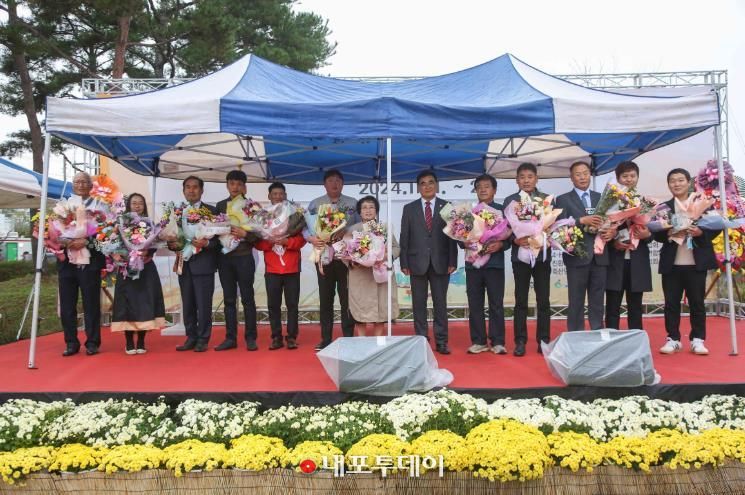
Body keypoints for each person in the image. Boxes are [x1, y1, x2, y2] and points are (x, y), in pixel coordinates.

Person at [655, 168, 719, 355]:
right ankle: (673, 339)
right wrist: (668, 232)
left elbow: (716, 227)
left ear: (688, 182)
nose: (676, 184)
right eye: (672, 181)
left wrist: (700, 233)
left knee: (697, 303)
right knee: (671, 303)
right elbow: (656, 234)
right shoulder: (664, 207)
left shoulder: (702, 202)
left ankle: (697, 340)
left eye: (680, 180)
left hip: (695, 263)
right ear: (668, 185)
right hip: (672, 264)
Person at [400, 170, 457, 354]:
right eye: (423, 183)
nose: (427, 186)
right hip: (416, 262)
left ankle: (441, 341)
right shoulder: (409, 208)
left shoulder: (447, 206)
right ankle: (421, 339)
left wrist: (453, 259)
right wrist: (404, 262)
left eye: (431, 182)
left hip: (441, 262)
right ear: (418, 187)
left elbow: (453, 234)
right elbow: (404, 236)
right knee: (418, 304)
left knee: (440, 304)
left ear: (437, 185)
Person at [555, 161, 615, 331]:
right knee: (576, 300)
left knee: (598, 299)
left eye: (585, 173)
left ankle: (597, 331)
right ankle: (576, 334)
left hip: (600, 256)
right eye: (578, 174)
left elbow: (611, 221)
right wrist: (581, 220)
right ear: (571, 178)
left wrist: (612, 232)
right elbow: (558, 227)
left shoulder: (601, 197)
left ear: (590, 175)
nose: (582, 177)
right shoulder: (563, 199)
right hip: (577, 257)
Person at [305, 169, 359, 351]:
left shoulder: (353, 203)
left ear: (342, 184)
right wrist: (311, 238)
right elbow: (305, 227)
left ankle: (349, 338)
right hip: (324, 257)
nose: (334, 184)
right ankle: (326, 339)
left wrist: (348, 232)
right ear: (324, 184)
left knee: (347, 299)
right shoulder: (315, 204)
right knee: (325, 298)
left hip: (345, 258)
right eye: (330, 180)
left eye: (337, 180)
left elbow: (362, 227)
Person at [503, 163, 551, 354]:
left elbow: (552, 227)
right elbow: (504, 229)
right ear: (517, 180)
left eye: (530, 176)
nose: (526, 180)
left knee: (543, 300)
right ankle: (520, 341)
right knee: (520, 300)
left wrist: (543, 238)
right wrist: (515, 239)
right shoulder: (510, 201)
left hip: (542, 257)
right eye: (522, 177)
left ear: (536, 179)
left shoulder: (546, 200)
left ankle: (543, 340)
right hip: (520, 257)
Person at [56, 172, 106, 356]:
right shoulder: (63, 205)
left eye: (84, 182)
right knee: (68, 305)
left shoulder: (100, 206)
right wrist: (66, 242)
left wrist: (87, 241)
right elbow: (54, 231)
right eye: (77, 182)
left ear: (91, 186)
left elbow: (107, 233)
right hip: (67, 262)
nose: (81, 185)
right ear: (73, 185)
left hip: (90, 261)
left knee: (91, 304)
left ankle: (92, 342)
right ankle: (71, 342)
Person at [167, 176, 219, 352]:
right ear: (183, 191)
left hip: (203, 264)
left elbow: (219, 240)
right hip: (184, 262)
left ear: (202, 190)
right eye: (188, 187)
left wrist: (206, 243)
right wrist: (172, 243)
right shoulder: (177, 211)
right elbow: (171, 236)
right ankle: (191, 337)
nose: (191, 190)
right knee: (188, 303)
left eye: (195, 187)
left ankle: (203, 339)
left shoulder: (211, 211)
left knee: (203, 305)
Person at [460, 175, 511, 355]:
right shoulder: (468, 212)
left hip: (494, 264)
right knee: (475, 303)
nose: (483, 189)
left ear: (494, 190)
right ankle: (478, 341)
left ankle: (498, 341)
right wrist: (464, 241)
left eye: (487, 186)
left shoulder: (502, 211)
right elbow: (459, 237)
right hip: (473, 264)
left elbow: (510, 237)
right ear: (475, 190)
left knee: (496, 303)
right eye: (479, 186)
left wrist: (501, 244)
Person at [111, 193, 166, 354]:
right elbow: (113, 242)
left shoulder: (150, 224)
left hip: (146, 268)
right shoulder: (120, 223)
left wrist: (147, 252)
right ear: (129, 205)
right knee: (126, 303)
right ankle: (129, 342)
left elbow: (155, 244)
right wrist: (118, 254)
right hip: (127, 268)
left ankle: (141, 341)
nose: (137, 206)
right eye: (134, 203)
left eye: (140, 203)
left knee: (144, 302)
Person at [255, 182, 306, 350]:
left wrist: (286, 241)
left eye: (280, 194)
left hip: (292, 268)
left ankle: (292, 337)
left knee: (292, 305)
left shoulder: (294, 214)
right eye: (274, 194)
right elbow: (257, 243)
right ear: (269, 196)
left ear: (285, 195)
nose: (278, 196)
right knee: (273, 305)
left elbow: (302, 239)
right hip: (272, 269)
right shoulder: (262, 216)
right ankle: (276, 337)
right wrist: (270, 241)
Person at [214, 170, 258, 351]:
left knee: (248, 298)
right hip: (225, 259)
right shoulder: (220, 205)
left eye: (239, 184)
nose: (235, 187)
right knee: (229, 299)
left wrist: (245, 234)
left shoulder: (251, 206)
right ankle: (230, 338)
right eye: (232, 183)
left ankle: (251, 338)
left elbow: (260, 236)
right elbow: (213, 231)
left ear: (244, 187)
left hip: (244, 257)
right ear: (227, 185)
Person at [605, 161, 652, 330]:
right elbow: (601, 231)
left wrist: (647, 235)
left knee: (635, 307)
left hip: (637, 261)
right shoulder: (609, 203)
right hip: (615, 261)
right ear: (618, 178)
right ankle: (612, 339)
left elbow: (653, 229)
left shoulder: (644, 203)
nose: (629, 179)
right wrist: (613, 243)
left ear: (637, 178)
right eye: (625, 176)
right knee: (612, 306)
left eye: (632, 176)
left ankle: (635, 339)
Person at [346, 195, 400, 336]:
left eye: (371, 207)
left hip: (381, 274)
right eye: (364, 208)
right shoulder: (352, 229)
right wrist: (354, 261)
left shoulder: (383, 228)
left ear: (376, 211)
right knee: (360, 310)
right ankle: (362, 341)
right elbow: (344, 251)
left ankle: (378, 341)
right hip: (361, 276)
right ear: (359, 212)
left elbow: (396, 248)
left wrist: (385, 256)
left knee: (381, 309)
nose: (368, 210)